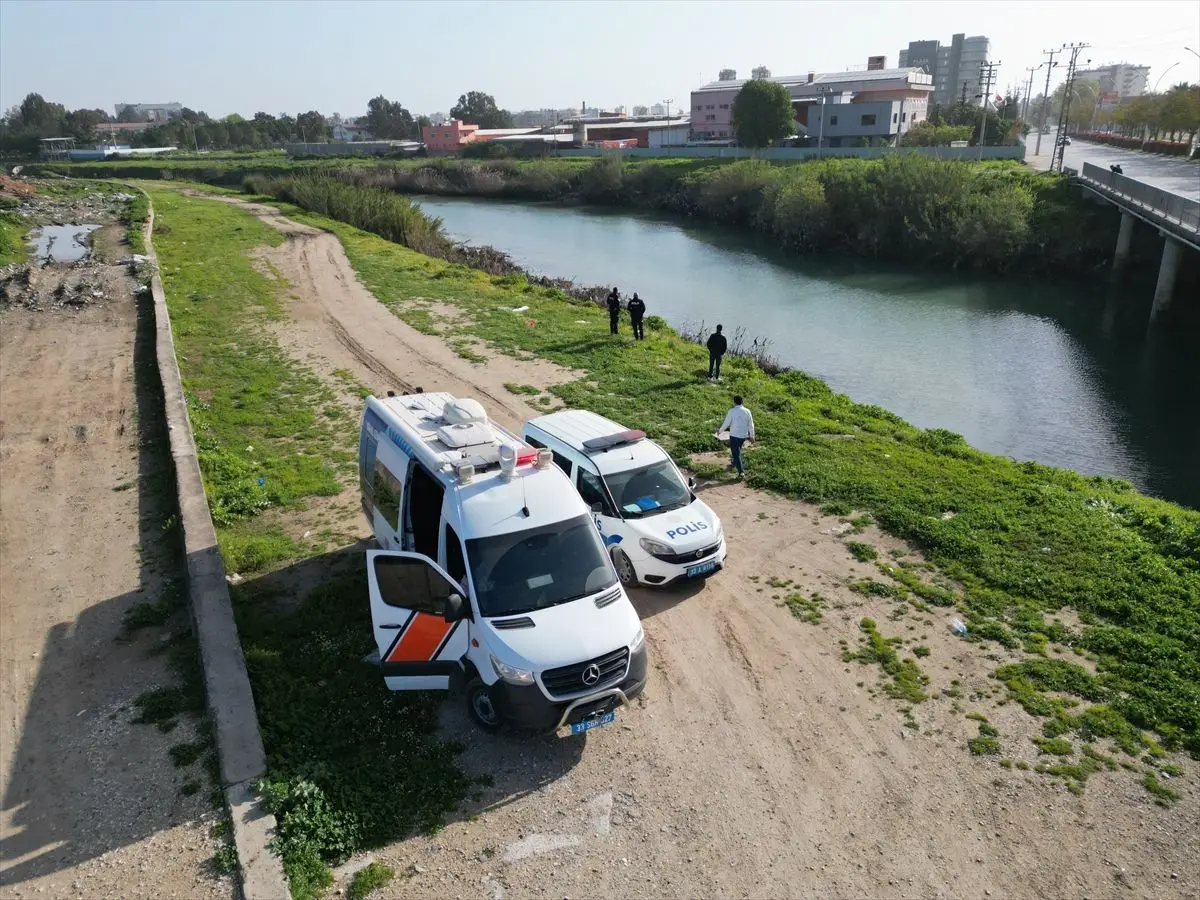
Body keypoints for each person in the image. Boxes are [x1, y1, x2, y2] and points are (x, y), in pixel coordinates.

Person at [718, 395, 755, 478]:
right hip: (743, 436)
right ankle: (735, 463)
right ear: (742, 402)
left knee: (736, 453)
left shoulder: (732, 411)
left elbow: (726, 423)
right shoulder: (747, 411)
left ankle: (741, 472)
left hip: (734, 435)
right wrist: (752, 435)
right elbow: (751, 424)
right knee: (737, 451)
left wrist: (720, 431)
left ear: (734, 402)